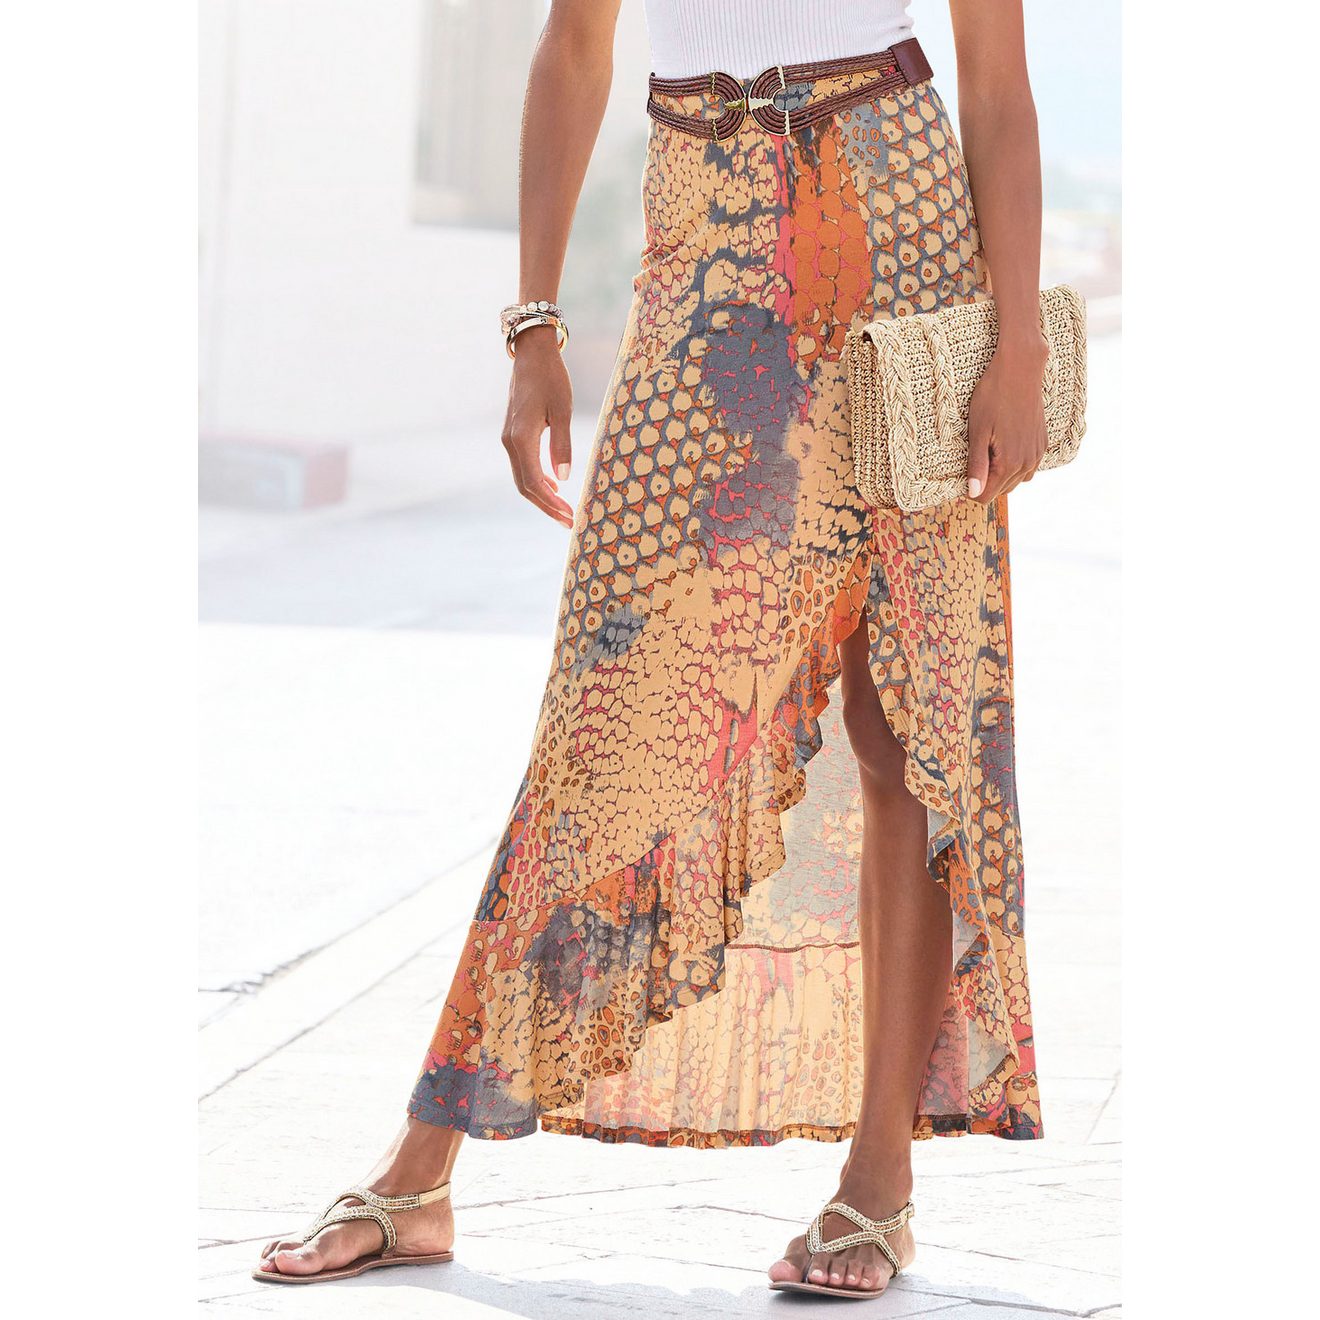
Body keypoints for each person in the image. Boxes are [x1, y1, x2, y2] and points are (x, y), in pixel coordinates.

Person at [256, 0, 1049, 1298]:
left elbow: (1000, 87)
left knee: (899, 723)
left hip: (903, 227)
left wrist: (1017, 342)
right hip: (705, 232)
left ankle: (878, 1184)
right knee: (602, 703)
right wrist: (533, 323)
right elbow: (574, 44)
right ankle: (420, 1170)